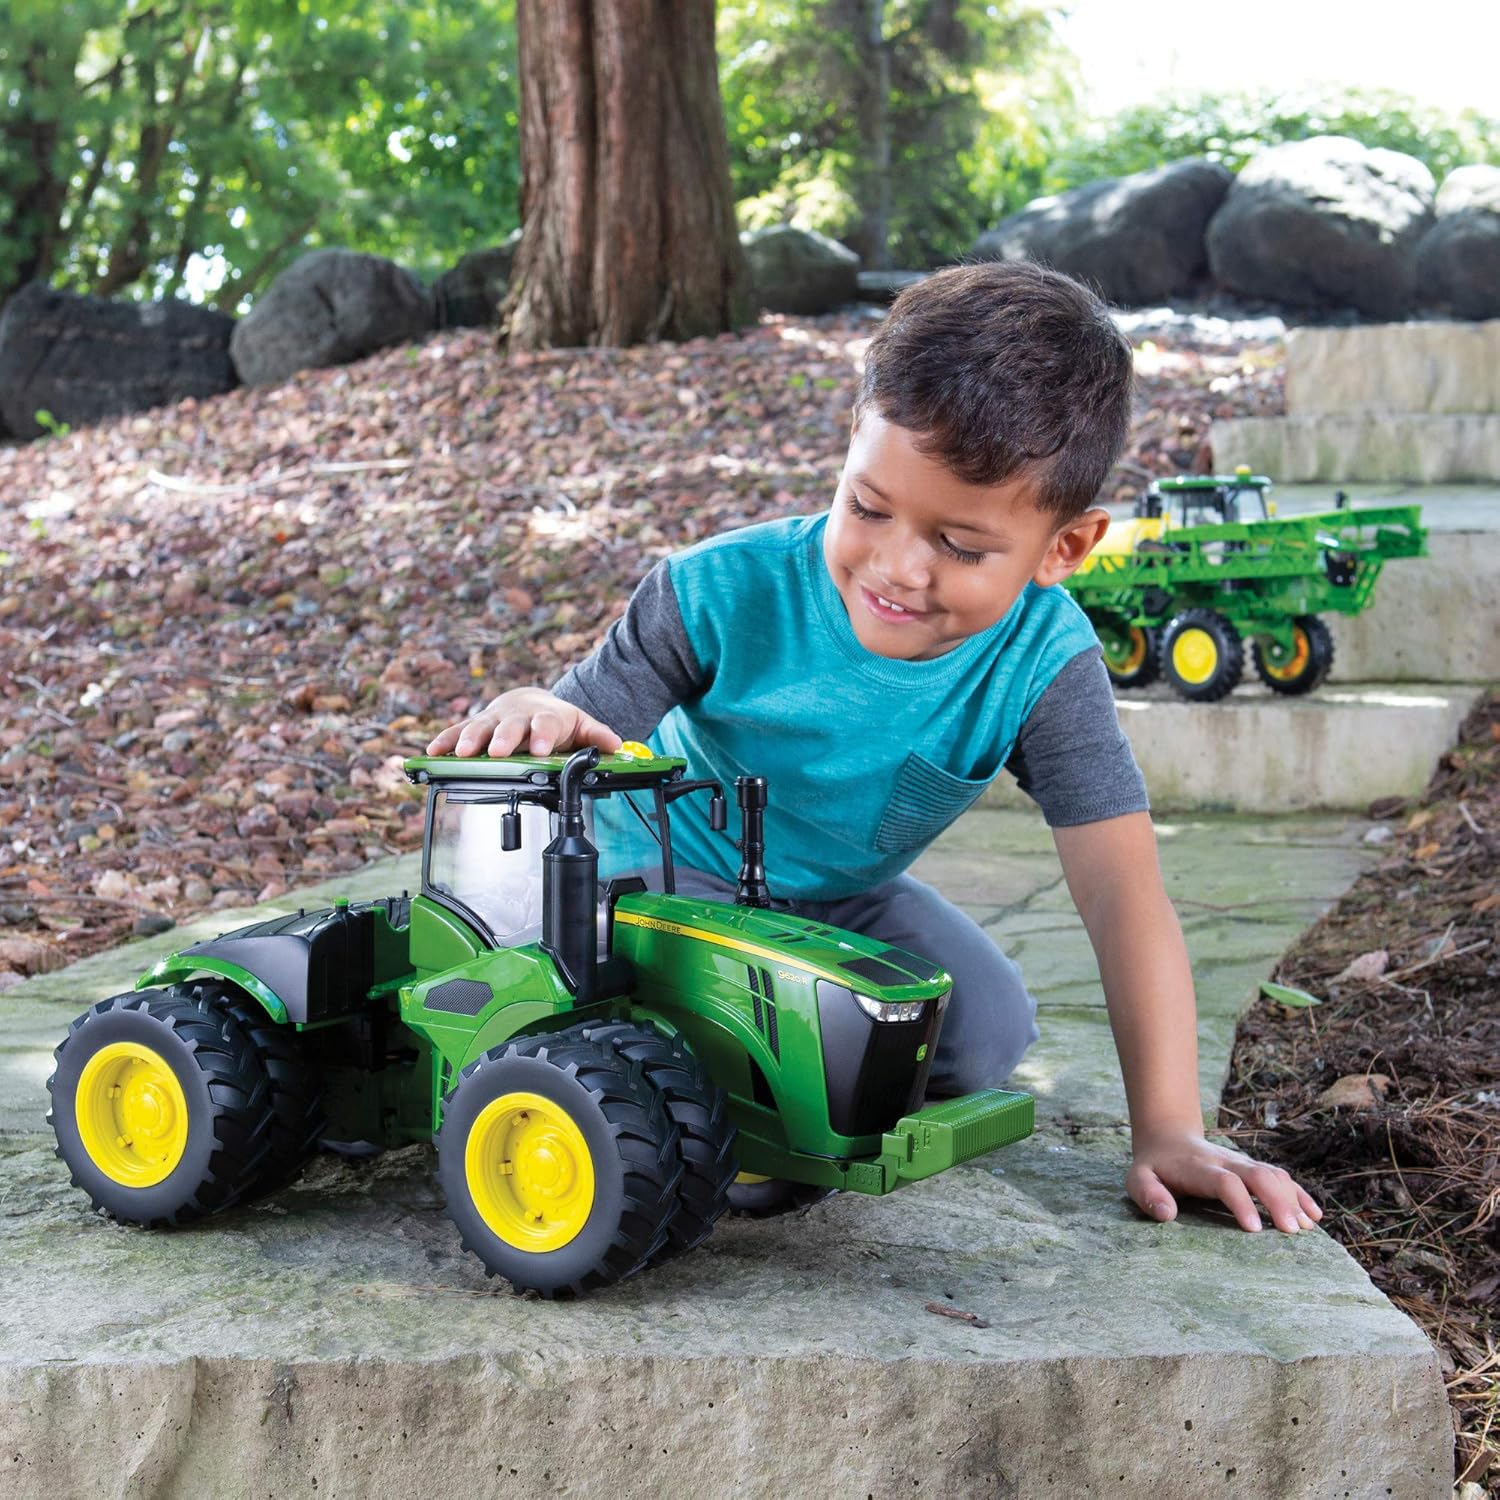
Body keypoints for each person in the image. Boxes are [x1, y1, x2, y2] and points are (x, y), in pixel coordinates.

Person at [427, 261, 1322, 1237]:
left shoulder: (1043, 663)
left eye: (962, 545)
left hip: (831, 897)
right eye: (869, 507)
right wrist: (534, 707)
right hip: (655, 883)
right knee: (707, 1023)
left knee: (984, 1033)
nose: (899, 567)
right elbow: (574, 731)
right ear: (849, 448)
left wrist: (1169, 1127)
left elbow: (1122, 891)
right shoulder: (716, 590)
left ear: (1063, 549)